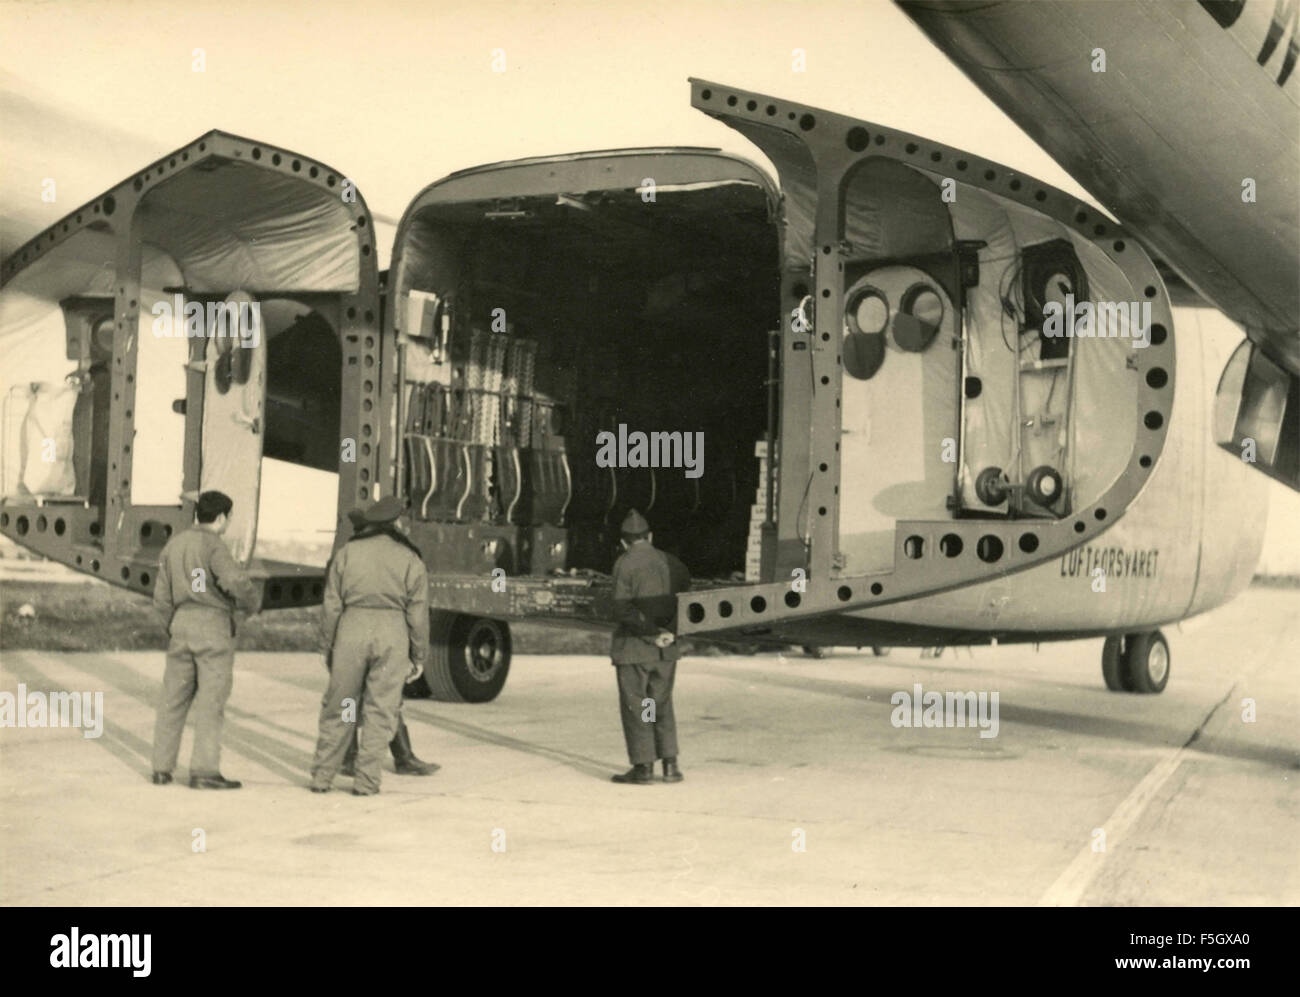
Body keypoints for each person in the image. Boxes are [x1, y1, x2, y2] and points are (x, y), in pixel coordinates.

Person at [311, 496, 430, 795]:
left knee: (339, 706)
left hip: (351, 629)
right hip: (392, 633)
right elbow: (418, 614)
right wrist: (419, 655)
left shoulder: (347, 553)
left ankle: (322, 777)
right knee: (380, 710)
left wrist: (327, 646)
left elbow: (331, 606)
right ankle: (366, 782)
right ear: (395, 523)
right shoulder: (410, 558)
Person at [151, 489, 260, 789]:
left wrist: (172, 627)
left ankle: (161, 768)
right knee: (211, 704)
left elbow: (161, 598)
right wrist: (252, 604)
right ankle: (204, 771)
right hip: (212, 627)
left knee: (172, 701)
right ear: (222, 517)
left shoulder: (174, 545)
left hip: (181, 626)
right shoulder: (215, 547)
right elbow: (235, 582)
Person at [608, 509, 688, 785]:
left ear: (623, 542)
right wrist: (669, 633)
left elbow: (622, 609)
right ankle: (670, 765)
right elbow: (686, 604)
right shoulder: (672, 563)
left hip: (635, 650)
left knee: (638, 706)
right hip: (666, 651)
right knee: (659, 704)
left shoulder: (624, 564)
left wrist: (651, 633)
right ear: (650, 536)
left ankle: (643, 767)